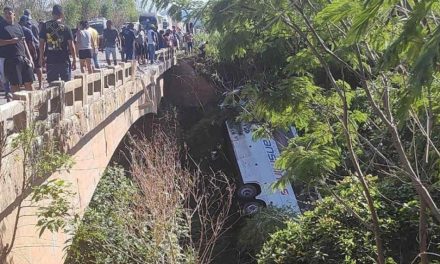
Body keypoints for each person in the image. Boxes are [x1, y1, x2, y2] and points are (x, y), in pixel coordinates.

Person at [0, 6, 34, 94]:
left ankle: (31, 106)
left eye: (9, 13)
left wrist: (29, 57)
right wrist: (12, 41)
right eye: (5, 13)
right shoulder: (2, 26)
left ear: (14, 14)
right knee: (15, 85)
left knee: (29, 83)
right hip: (11, 59)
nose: (7, 15)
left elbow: (24, 41)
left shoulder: (18, 26)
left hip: (23, 58)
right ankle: (16, 104)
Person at [39, 4, 77, 83]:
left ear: (52, 14)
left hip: (51, 60)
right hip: (64, 60)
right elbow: (71, 46)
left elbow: (41, 44)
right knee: (67, 85)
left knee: (52, 85)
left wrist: (41, 57)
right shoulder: (66, 28)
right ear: (62, 14)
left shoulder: (45, 26)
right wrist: (74, 59)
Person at [19, 15, 42, 89]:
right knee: (37, 66)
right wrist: (34, 52)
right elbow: (31, 44)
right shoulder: (26, 30)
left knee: (32, 67)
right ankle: (39, 84)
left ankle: (28, 85)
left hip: (25, 50)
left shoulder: (19, 29)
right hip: (31, 49)